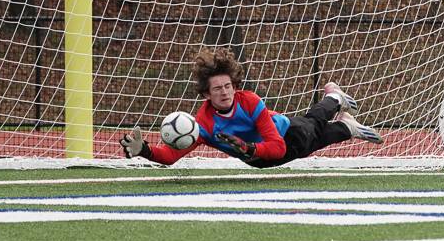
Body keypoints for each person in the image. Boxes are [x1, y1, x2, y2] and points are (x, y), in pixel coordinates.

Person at [120, 47, 383, 167]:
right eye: (217, 89)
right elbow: (171, 156)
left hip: (286, 133)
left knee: (311, 130)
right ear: (206, 94)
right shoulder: (204, 125)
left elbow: (278, 147)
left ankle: (335, 99)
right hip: (261, 159)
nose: (224, 92)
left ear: (234, 84)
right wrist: (144, 150)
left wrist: (248, 148)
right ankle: (344, 122)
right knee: (315, 135)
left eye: (227, 86)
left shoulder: (250, 101)